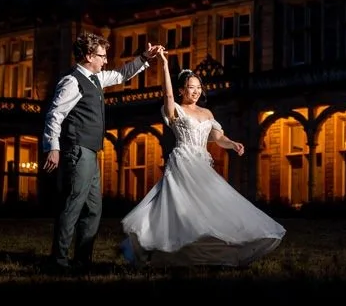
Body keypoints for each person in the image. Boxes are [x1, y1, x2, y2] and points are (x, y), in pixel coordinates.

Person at [120, 49, 286, 268]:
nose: (196, 92)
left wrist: (233, 144)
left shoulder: (207, 113)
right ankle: (162, 245)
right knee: (181, 206)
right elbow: (167, 96)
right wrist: (164, 65)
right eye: (191, 87)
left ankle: (210, 245)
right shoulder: (175, 109)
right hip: (183, 160)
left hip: (202, 163)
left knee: (211, 204)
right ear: (181, 90)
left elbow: (218, 137)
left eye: (199, 87)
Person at [41, 31, 163, 272]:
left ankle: (83, 260)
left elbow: (121, 74)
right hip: (77, 150)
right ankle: (58, 261)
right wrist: (52, 147)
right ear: (88, 56)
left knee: (94, 208)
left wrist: (145, 57)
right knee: (73, 205)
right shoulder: (72, 81)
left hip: (91, 151)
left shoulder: (96, 79)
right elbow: (54, 115)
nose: (106, 60)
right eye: (102, 56)